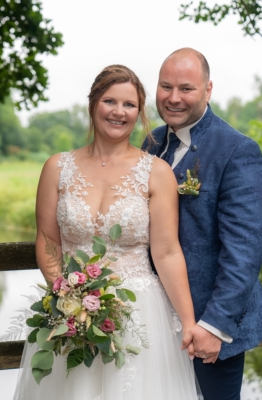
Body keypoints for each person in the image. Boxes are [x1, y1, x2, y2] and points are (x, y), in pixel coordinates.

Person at [12, 65, 202, 399]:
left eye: (129, 105)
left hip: (139, 312)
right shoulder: (57, 167)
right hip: (71, 313)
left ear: (139, 113)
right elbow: (48, 240)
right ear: (92, 104)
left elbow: (168, 252)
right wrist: (66, 297)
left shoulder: (156, 172)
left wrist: (187, 322)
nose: (118, 112)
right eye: (109, 101)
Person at [143, 48, 262, 400]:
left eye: (186, 88)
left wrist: (214, 327)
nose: (173, 98)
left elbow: (244, 252)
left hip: (209, 325)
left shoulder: (238, 150)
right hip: (151, 318)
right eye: (165, 86)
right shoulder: (151, 143)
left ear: (208, 89)